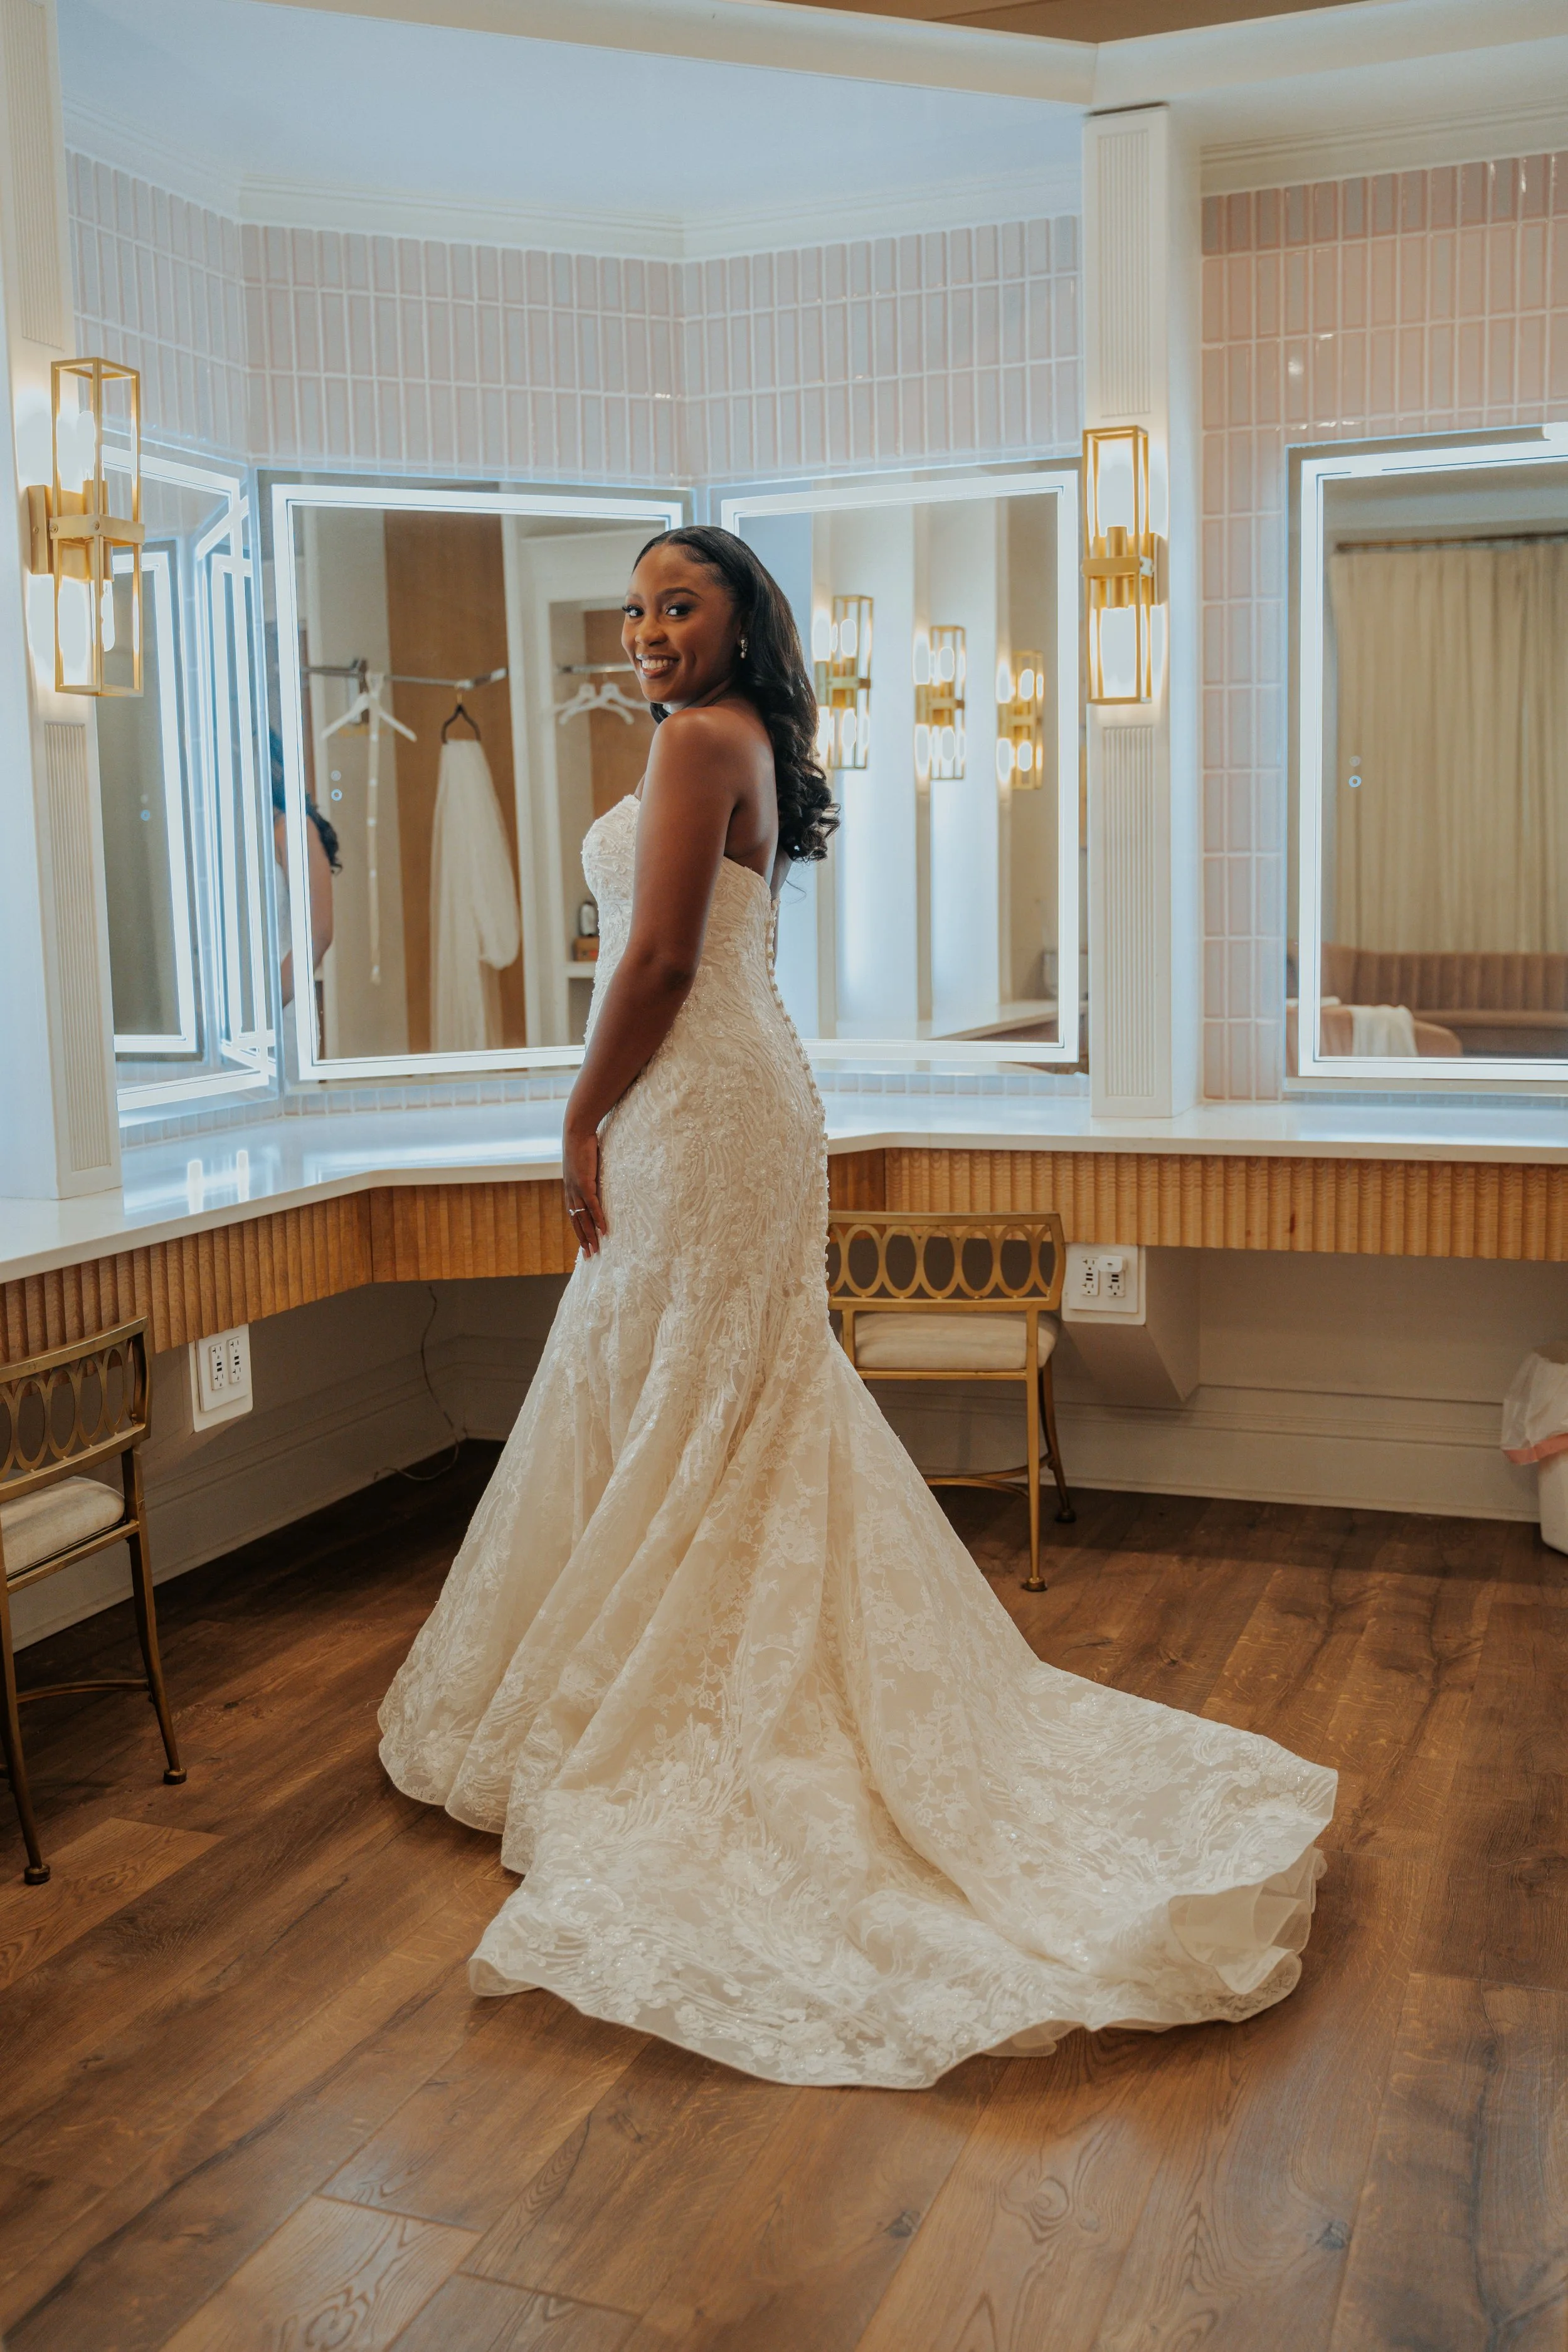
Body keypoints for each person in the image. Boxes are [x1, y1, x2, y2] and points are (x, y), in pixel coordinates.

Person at [379, 526, 1335, 2090]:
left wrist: (573, 1116)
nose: (643, 633)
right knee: (721, 1383)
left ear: (742, 619)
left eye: (675, 606)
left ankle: (680, 1692)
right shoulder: (736, 738)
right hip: (724, 1106)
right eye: (630, 611)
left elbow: (665, 957)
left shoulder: (700, 738)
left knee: (713, 1381)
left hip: (695, 1099)